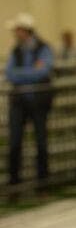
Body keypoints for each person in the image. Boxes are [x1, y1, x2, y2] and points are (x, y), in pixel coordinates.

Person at [4, 12, 55, 190]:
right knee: (15, 142)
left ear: (26, 31)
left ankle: (43, 183)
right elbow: (10, 73)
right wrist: (30, 73)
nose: (16, 34)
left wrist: (22, 75)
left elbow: (43, 71)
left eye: (18, 30)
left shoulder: (43, 48)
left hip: (38, 102)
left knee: (41, 141)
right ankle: (14, 184)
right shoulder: (16, 51)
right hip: (19, 102)